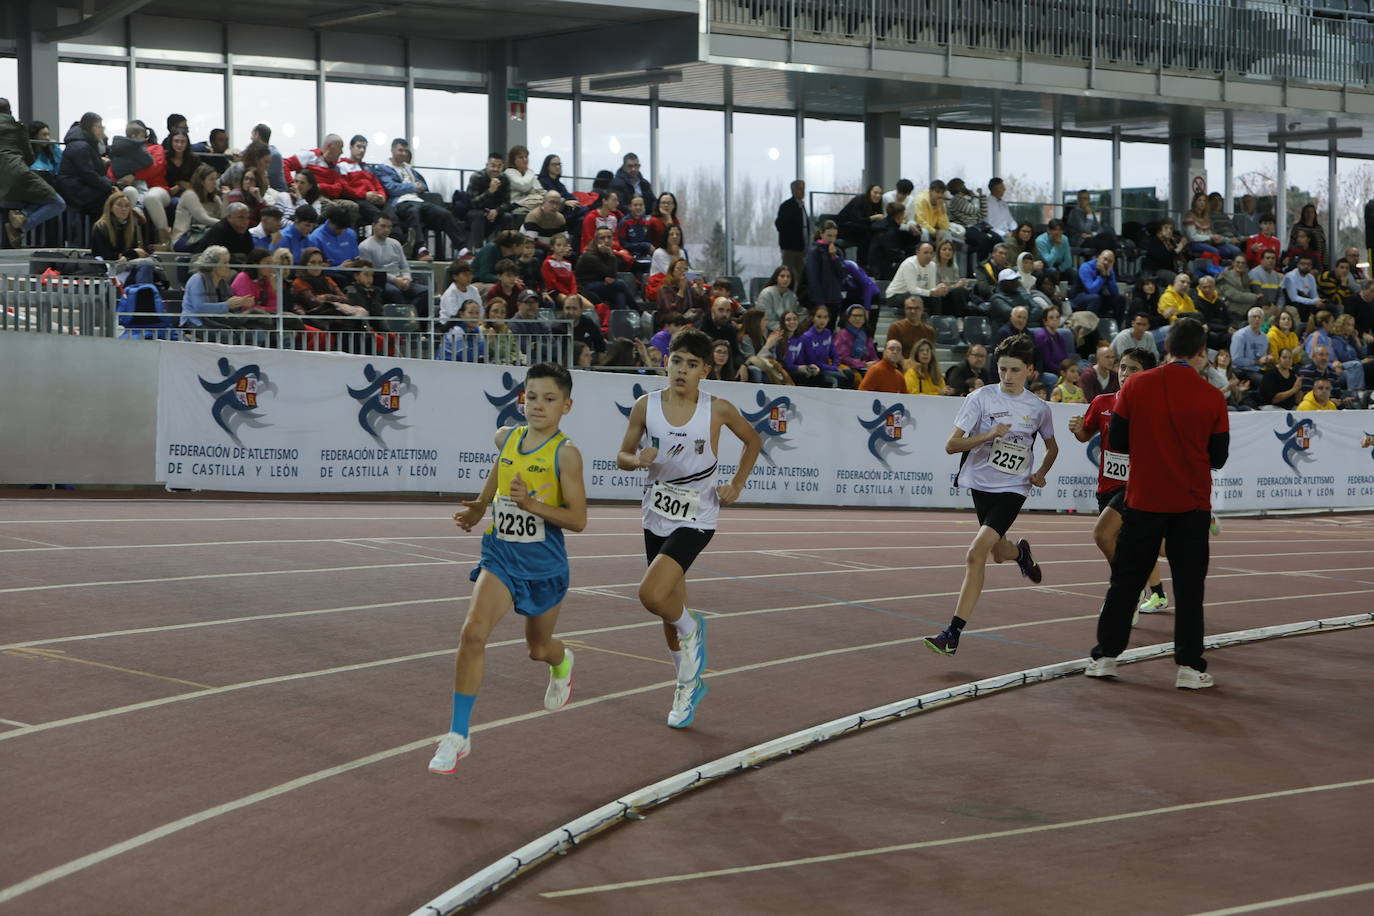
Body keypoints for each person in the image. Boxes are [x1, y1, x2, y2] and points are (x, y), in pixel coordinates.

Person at [427, 363, 587, 773]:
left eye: (549, 399)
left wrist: (533, 505)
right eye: (531, 396)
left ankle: (561, 661)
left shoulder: (566, 455)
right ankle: (458, 735)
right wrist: (481, 506)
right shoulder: (508, 436)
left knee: (537, 648)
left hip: (544, 566)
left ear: (566, 406)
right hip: (501, 556)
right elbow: (502, 466)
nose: (538, 405)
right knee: (473, 633)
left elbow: (578, 519)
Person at [615, 329, 761, 728]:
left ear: (705, 371)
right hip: (656, 513)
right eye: (676, 361)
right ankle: (686, 681)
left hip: (698, 515)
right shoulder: (646, 406)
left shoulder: (718, 409)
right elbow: (621, 455)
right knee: (667, 609)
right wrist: (636, 459)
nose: (681, 370)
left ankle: (692, 628)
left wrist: (737, 483)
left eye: (691, 364)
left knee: (651, 594)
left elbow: (753, 441)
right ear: (666, 362)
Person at [1084, 319, 1229, 689]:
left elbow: (1116, 439)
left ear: (1166, 347)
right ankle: (1189, 669)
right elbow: (1219, 456)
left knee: (1126, 581)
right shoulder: (1212, 397)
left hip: (1143, 499)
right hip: (1191, 504)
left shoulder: (1135, 387)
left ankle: (1105, 657)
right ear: (1201, 354)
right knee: (1189, 587)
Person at [924, 334, 1057, 656]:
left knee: (975, 553)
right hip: (980, 483)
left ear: (1030, 370)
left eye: (1014, 370)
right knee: (998, 553)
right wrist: (988, 435)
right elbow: (951, 445)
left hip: (1014, 487)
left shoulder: (1038, 408)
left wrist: (1041, 473)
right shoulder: (980, 398)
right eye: (1002, 370)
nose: (1007, 377)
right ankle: (1020, 554)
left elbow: (1052, 448)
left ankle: (952, 634)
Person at [1068, 347, 1166, 619]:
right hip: (1107, 486)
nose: (1125, 373)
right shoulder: (1102, 402)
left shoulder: (1156, 407)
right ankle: (1189, 539)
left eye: (1133, 369)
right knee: (1139, 545)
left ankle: (1127, 591)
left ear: (1147, 375)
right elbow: (1086, 434)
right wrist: (1078, 430)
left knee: (1102, 535)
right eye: (1122, 367)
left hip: (1139, 486)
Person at [375, 138, 464, 256]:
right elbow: (391, 188)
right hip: (400, 203)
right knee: (413, 212)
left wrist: (421, 186)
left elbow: (422, 185)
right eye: (400, 150)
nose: (403, 153)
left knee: (444, 213)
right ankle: (420, 249)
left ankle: (462, 249)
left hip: (418, 200)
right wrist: (412, 186)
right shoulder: (383, 168)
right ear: (392, 150)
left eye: (405, 151)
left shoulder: (408, 168)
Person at [0, 98, 66, 246]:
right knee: (57, 202)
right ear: (10, 111)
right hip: (17, 172)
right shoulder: (17, 127)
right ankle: (22, 222)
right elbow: (29, 158)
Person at [358, 212, 429, 313]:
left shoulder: (395, 243)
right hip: (382, 281)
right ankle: (406, 317)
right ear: (374, 226)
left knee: (425, 291)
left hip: (401, 278)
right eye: (383, 226)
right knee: (394, 292)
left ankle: (409, 316)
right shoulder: (365, 246)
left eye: (389, 227)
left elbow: (404, 265)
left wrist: (407, 279)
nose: (386, 230)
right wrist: (395, 280)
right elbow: (373, 271)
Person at [787, 304, 849, 387]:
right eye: (819, 317)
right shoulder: (806, 337)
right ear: (813, 318)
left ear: (829, 319)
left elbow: (834, 355)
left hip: (828, 367)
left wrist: (835, 365)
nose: (822, 320)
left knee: (849, 374)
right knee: (839, 378)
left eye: (825, 317)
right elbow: (813, 361)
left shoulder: (828, 333)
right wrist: (834, 369)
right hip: (817, 369)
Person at [578, 226, 637, 311]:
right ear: (596, 240)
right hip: (586, 287)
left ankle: (621, 319)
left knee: (619, 294)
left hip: (601, 285)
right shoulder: (589, 255)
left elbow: (612, 277)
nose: (606, 240)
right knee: (620, 284)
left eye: (609, 237)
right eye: (602, 238)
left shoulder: (606, 252)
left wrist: (610, 255)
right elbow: (610, 275)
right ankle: (638, 312)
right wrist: (611, 255)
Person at [170, 164, 223, 252]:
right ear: (201, 181)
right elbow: (203, 219)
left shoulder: (215, 199)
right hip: (184, 237)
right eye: (211, 179)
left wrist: (226, 199)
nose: (215, 183)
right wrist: (228, 225)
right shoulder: (190, 195)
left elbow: (223, 217)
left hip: (205, 235)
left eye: (216, 179)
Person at [805, 220, 847, 318]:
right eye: (829, 235)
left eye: (834, 236)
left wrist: (834, 257)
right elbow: (813, 278)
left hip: (835, 299)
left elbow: (843, 274)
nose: (832, 239)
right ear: (821, 233)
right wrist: (820, 302)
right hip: (821, 300)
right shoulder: (815, 252)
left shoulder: (838, 251)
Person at [837, 184, 884, 262]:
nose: (877, 195)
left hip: (859, 228)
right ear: (869, 192)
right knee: (866, 233)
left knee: (877, 234)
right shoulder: (859, 200)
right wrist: (873, 218)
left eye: (880, 194)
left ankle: (872, 263)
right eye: (875, 193)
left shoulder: (876, 204)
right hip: (844, 227)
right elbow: (856, 219)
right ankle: (863, 264)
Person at [775, 179, 810, 280]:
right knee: (788, 275)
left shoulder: (802, 207)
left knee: (800, 275)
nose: (802, 192)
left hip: (802, 248)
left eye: (803, 189)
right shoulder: (787, 206)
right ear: (793, 190)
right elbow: (780, 224)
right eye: (799, 189)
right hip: (790, 248)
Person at [1229, 306, 1272, 387]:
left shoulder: (1264, 338)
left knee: (1277, 378)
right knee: (1265, 382)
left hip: (1257, 369)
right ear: (1248, 319)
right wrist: (1257, 362)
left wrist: (1266, 360)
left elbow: (1261, 360)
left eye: (1259, 317)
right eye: (1254, 316)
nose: (1257, 319)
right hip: (1241, 370)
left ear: (1262, 320)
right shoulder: (1240, 335)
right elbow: (1235, 360)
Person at [1066, 189, 1117, 255]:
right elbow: (1085, 229)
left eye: (1085, 199)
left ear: (1089, 200)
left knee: (1109, 238)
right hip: (1080, 240)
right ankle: (1103, 263)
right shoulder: (1074, 213)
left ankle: (1109, 263)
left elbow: (1099, 228)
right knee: (1105, 241)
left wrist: (1092, 234)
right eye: (1080, 199)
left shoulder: (1090, 212)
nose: (1082, 201)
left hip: (1090, 238)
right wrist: (1089, 214)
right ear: (1077, 200)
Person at [836, 303, 877, 379]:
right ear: (848, 318)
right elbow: (843, 358)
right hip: (847, 366)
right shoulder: (843, 334)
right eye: (854, 316)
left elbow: (873, 356)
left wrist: (875, 363)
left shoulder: (866, 334)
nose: (858, 319)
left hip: (865, 367)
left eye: (860, 316)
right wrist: (863, 364)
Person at [438, 260, 483, 329]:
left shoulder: (474, 290)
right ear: (455, 277)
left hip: (472, 326)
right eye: (465, 275)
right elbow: (455, 315)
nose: (469, 277)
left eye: (470, 274)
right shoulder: (450, 294)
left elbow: (481, 310)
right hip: (451, 328)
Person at [1258, 346, 1304, 410]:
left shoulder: (1293, 374)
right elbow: (1273, 399)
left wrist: (1299, 390)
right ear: (1279, 359)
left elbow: (1297, 401)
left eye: (1290, 358)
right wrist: (1293, 390)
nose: (1287, 360)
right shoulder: (1270, 374)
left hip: (1288, 407)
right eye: (1284, 357)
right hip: (1270, 407)